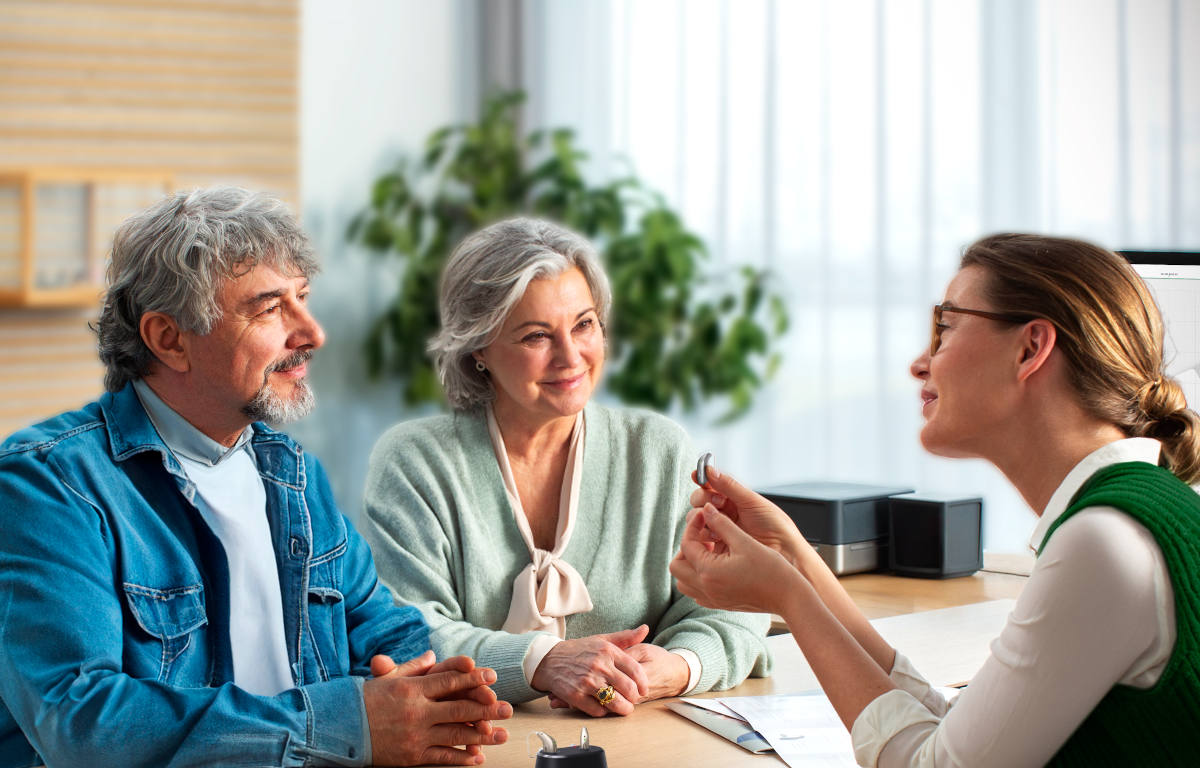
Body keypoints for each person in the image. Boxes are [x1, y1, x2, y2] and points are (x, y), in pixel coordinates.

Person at [0, 187, 511, 768]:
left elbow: (383, 629)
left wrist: (438, 700)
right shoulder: (47, 486)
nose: (312, 332)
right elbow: (80, 723)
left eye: (303, 298)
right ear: (169, 339)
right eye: (269, 309)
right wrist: (351, 725)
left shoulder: (291, 471)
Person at [671, 233, 1200, 766]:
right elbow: (959, 733)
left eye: (944, 330)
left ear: (1030, 348)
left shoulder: (1101, 544)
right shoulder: (1142, 514)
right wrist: (796, 560)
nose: (920, 364)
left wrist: (791, 598)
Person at [363, 217, 771, 716]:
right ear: (479, 349)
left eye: (584, 324)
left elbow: (735, 602)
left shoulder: (658, 450)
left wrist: (676, 666)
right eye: (537, 336)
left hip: (645, 743)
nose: (571, 356)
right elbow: (406, 630)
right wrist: (542, 661)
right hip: (476, 748)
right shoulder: (414, 462)